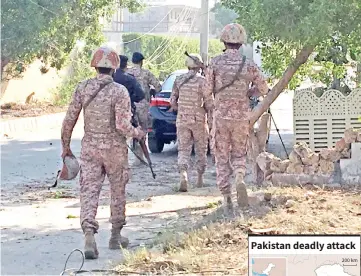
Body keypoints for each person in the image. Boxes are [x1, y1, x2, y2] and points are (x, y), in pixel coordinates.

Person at [61, 46, 145, 259]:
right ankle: (115, 236)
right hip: (115, 150)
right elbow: (122, 126)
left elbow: (69, 121)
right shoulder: (119, 91)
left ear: (94, 66)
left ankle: (89, 233)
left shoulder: (83, 88)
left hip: (90, 149)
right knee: (117, 191)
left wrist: (66, 148)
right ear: (114, 69)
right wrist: (138, 133)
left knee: (89, 191)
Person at [204, 23, 269, 213]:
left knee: (221, 156)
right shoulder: (248, 64)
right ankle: (240, 177)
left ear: (224, 41)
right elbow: (264, 88)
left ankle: (226, 198)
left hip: (221, 117)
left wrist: (214, 103)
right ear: (241, 43)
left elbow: (206, 91)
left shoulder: (215, 63)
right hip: (241, 117)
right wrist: (250, 92)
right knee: (239, 153)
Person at [169, 54, 213, 192]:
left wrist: (180, 109)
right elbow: (210, 103)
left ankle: (183, 174)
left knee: (183, 149)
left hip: (182, 120)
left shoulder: (179, 80)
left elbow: (172, 101)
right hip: (199, 121)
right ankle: (200, 179)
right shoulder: (202, 81)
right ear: (198, 66)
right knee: (201, 150)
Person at [127, 52, 162, 165]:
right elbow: (158, 87)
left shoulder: (127, 73)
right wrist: (152, 92)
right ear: (142, 62)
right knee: (143, 131)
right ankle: (141, 157)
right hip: (143, 105)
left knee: (131, 130)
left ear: (132, 61)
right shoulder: (146, 73)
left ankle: (134, 157)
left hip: (129, 106)